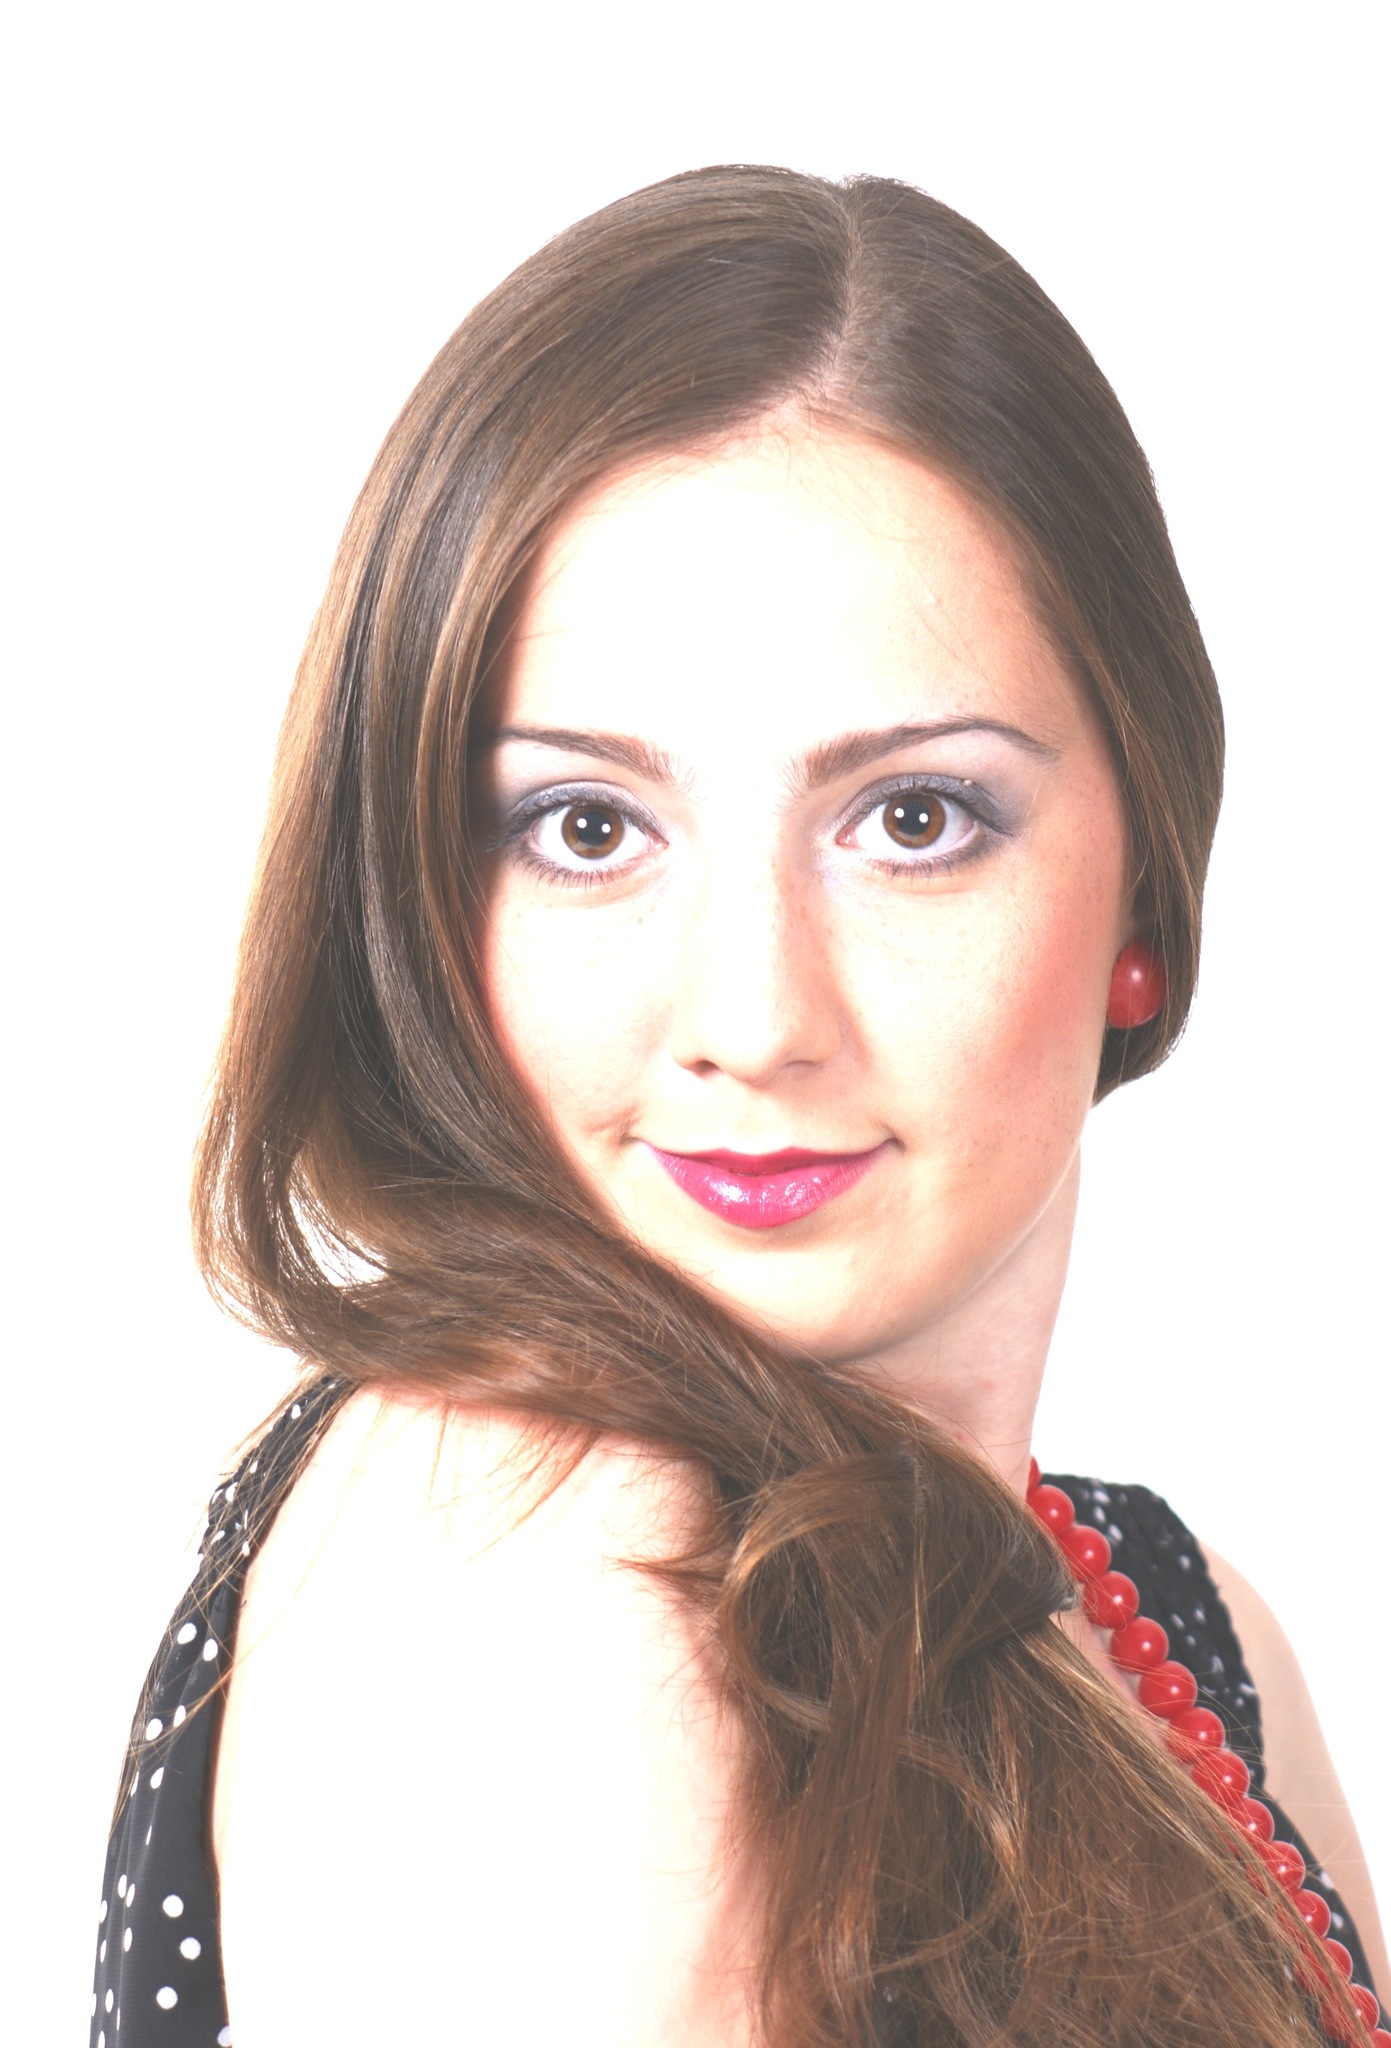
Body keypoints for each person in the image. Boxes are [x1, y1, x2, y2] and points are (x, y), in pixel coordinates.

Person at [91, 165, 1385, 2048]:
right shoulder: (544, 1538)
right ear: (424, 898)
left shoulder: (1184, 1628)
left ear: (1144, 901)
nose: (756, 1021)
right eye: (587, 828)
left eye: (913, 819)